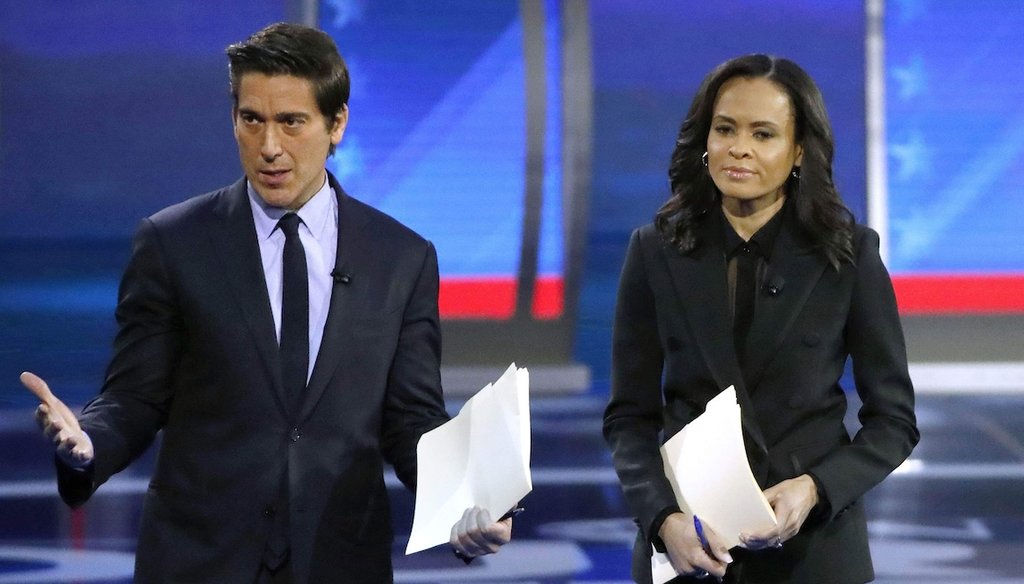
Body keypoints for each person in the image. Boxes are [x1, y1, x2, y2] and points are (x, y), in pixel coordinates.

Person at [21, 22, 510, 584]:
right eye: (252, 120)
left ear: (338, 124)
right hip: (199, 562)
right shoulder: (173, 243)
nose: (269, 147)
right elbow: (134, 394)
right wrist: (88, 441)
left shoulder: (401, 258)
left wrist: (463, 502)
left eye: (292, 122)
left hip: (339, 563)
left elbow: (411, 419)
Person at [602, 54, 919, 583]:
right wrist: (663, 520)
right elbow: (628, 418)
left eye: (763, 133)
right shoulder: (654, 252)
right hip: (691, 550)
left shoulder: (847, 256)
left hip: (813, 554)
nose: (739, 148)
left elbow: (894, 422)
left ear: (798, 152)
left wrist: (816, 488)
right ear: (704, 140)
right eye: (725, 128)